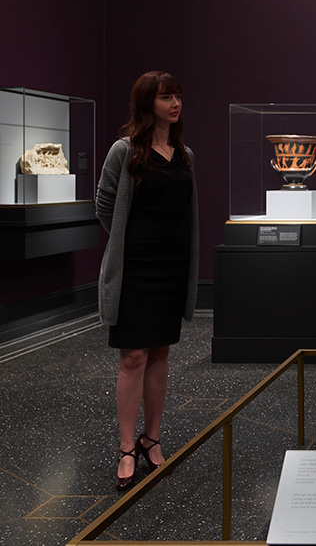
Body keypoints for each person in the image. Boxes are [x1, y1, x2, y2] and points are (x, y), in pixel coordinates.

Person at [95, 71, 199, 491]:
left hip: (172, 267)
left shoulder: (185, 153)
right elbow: (104, 204)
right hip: (136, 267)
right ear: (146, 103)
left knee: (160, 353)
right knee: (132, 357)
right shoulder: (126, 150)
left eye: (177, 96)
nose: (174, 104)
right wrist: (126, 241)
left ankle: (151, 439)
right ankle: (125, 447)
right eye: (165, 97)